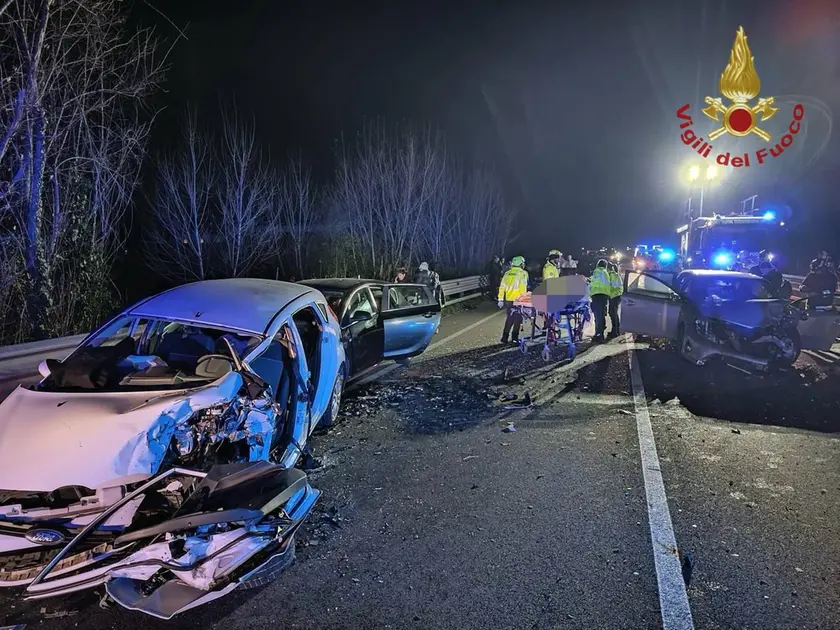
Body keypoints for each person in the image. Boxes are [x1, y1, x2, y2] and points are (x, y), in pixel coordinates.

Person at [497, 255, 529, 344]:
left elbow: (502, 287)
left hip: (508, 300)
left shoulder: (507, 273)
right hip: (519, 300)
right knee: (518, 319)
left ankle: (504, 337)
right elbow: (523, 288)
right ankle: (515, 338)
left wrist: (500, 299)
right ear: (521, 264)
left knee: (509, 318)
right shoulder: (523, 273)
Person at [588, 259, 611, 342]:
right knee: (601, 315)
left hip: (597, 295)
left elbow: (593, 282)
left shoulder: (597, 271)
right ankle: (600, 332)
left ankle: (599, 335)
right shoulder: (606, 273)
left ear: (598, 265)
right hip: (604, 296)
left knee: (598, 316)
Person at [607, 262, 623, 339]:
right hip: (615, 295)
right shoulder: (614, 274)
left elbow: (611, 286)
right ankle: (616, 330)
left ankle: (615, 331)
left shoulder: (612, 275)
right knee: (613, 313)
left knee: (612, 313)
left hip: (615, 295)